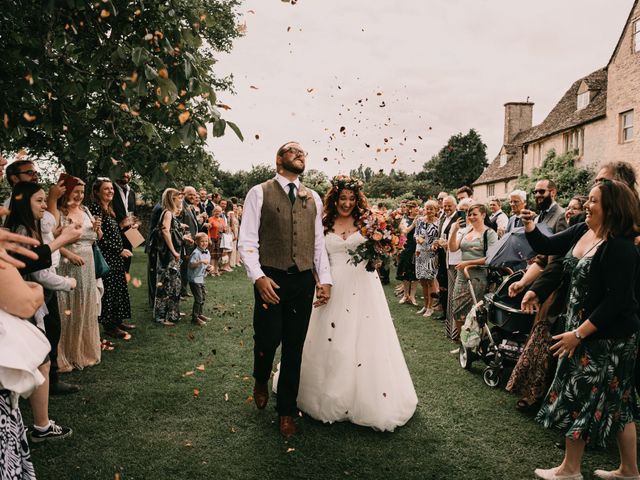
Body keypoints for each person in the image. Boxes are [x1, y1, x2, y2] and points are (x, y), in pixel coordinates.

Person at [523, 181, 640, 480]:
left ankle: (570, 469)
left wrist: (579, 334)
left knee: (579, 395)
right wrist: (529, 227)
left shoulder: (621, 247)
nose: (586, 205)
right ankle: (629, 471)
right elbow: (548, 246)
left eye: (593, 201)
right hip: (582, 328)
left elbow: (618, 300)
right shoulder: (581, 231)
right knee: (619, 401)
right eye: (587, 199)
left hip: (606, 336)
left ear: (611, 208)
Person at [284, 175, 418, 431]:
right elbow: (315, 256)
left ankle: (369, 398)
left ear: (357, 199)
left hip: (363, 285)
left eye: (351, 198)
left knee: (364, 339)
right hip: (330, 283)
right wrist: (319, 282)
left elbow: (379, 250)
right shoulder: (323, 223)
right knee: (329, 338)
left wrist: (382, 249)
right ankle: (326, 393)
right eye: (342, 198)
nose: (346, 203)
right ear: (334, 198)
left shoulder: (367, 222)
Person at [238, 141, 332, 438]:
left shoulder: (313, 197)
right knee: (266, 340)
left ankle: (287, 411)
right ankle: (261, 378)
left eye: (303, 151)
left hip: (302, 281)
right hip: (271, 278)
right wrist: (258, 277)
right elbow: (247, 241)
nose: (300, 153)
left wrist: (324, 279)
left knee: (294, 347)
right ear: (279, 159)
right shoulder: (259, 192)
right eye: (293, 150)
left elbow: (318, 244)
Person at [53, 176, 103, 372]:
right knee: (68, 306)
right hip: (67, 264)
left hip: (88, 263)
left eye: (82, 192)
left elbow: (96, 238)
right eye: (76, 192)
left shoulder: (86, 210)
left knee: (85, 304)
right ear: (66, 192)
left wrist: (98, 230)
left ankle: (84, 352)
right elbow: (52, 241)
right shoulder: (59, 212)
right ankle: (65, 354)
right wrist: (69, 254)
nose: (80, 196)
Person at [448, 203, 498, 354]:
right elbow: (453, 248)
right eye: (469, 214)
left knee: (476, 312)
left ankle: (476, 344)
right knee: (457, 309)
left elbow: (491, 257)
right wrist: (455, 230)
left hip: (478, 277)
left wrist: (468, 262)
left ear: (483, 215)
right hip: (462, 275)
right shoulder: (467, 230)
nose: (471, 217)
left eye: (474, 214)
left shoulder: (489, 233)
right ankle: (464, 344)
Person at [89, 178, 134, 340]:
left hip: (116, 257)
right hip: (107, 256)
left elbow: (110, 232)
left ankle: (117, 320)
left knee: (117, 289)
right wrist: (119, 250)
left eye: (111, 189)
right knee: (108, 291)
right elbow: (98, 236)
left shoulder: (109, 209)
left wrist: (123, 227)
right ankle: (109, 326)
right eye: (106, 189)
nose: (110, 191)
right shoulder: (95, 208)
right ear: (96, 192)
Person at [153, 188, 184, 326]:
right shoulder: (168, 213)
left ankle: (172, 312)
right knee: (166, 284)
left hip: (172, 255)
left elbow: (171, 231)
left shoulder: (170, 213)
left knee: (173, 284)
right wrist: (174, 251)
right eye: (179, 197)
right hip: (169, 256)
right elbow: (165, 231)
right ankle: (160, 316)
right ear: (173, 199)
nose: (181, 200)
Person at [415, 200, 440, 317]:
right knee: (422, 281)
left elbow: (440, 238)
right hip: (420, 252)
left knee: (430, 281)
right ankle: (425, 306)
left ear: (436, 210)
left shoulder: (439, 223)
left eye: (431, 209)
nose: (429, 211)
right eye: (427, 208)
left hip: (431, 254)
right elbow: (416, 234)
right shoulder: (420, 220)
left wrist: (435, 245)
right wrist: (417, 239)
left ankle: (431, 307)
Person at [435, 196, 457, 323]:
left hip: (452, 254)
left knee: (450, 285)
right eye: (445, 206)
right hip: (442, 254)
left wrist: (446, 244)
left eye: (449, 206)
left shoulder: (457, 219)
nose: (447, 208)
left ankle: (450, 314)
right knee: (442, 282)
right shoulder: (443, 217)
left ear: (455, 205)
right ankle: (444, 312)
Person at [112, 171, 138, 273]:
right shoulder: (110, 190)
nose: (126, 175)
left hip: (129, 236)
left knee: (126, 270)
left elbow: (134, 212)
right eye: (123, 171)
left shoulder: (131, 192)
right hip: (114, 236)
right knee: (114, 271)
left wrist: (135, 223)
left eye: (128, 172)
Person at [396, 200, 420, 306]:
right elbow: (404, 231)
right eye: (415, 208)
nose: (417, 209)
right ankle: (405, 295)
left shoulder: (420, 219)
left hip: (417, 249)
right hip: (406, 248)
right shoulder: (404, 219)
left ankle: (412, 296)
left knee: (415, 273)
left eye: (418, 208)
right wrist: (413, 224)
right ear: (410, 209)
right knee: (405, 272)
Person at [188, 232, 212, 327]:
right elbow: (191, 265)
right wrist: (200, 261)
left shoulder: (207, 252)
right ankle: (194, 318)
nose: (204, 243)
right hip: (194, 279)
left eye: (206, 241)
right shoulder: (195, 253)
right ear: (197, 242)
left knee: (203, 296)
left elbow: (206, 265)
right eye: (202, 241)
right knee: (198, 298)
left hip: (201, 278)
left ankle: (200, 314)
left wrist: (209, 267)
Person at [179, 186, 199, 297]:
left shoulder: (190, 207)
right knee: (183, 268)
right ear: (183, 194)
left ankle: (184, 290)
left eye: (194, 194)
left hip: (191, 242)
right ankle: (181, 290)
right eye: (190, 194)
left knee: (187, 268)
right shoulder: (181, 206)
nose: (192, 196)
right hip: (185, 243)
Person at [207, 206, 226, 276]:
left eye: (219, 211)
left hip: (219, 239)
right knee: (212, 255)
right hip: (212, 238)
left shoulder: (222, 220)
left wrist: (224, 229)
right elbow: (208, 230)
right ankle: (211, 271)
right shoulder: (210, 219)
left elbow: (224, 229)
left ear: (221, 212)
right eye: (216, 211)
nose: (217, 212)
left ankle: (216, 270)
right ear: (213, 212)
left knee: (218, 255)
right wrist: (208, 239)